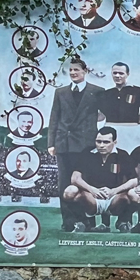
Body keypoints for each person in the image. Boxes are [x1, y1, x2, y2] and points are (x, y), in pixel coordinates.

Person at [48, 58, 104, 232]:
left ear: (85, 71)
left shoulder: (97, 91)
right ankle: (69, 222)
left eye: (76, 70)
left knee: (86, 182)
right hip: (64, 144)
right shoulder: (60, 92)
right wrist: (51, 143)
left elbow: (105, 114)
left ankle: (88, 221)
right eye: (71, 70)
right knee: (64, 184)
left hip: (86, 145)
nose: (73, 73)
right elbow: (54, 118)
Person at [63, 127, 136, 233]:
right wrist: (92, 190)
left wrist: (114, 191)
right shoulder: (87, 153)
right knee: (70, 191)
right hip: (91, 197)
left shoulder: (122, 155)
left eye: (106, 142)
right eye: (98, 141)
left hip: (114, 198)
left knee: (133, 194)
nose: (101, 145)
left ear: (115, 142)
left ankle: (123, 221)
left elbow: (134, 180)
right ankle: (82, 222)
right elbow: (75, 178)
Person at [97, 63, 140, 152]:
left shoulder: (137, 91)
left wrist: (138, 122)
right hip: (111, 130)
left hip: (131, 130)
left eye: (121, 73)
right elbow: (101, 113)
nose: (117, 76)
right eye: (115, 73)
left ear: (127, 74)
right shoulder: (107, 93)